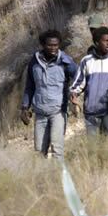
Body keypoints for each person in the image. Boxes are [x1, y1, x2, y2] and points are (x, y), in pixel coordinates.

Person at [21, 30, 78, 160]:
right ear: (42, 45)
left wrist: (73, 94)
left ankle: (58, 179)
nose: (53, 48)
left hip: (58, 111)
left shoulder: (66, 62)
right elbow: (30, 87)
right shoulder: (34, 62)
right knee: (39, 152)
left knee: (57, 150)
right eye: (49, 45)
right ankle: (42, 179)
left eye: (56, 45)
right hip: (40, 112)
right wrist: (25, 107)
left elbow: (79, 77)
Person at [70, 27, 108, 136]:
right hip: (91, 112)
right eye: (105, 41)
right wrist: (74, 95)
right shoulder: (86, 61)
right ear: (96, 42)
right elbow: (77, 84)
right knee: (93, 146)